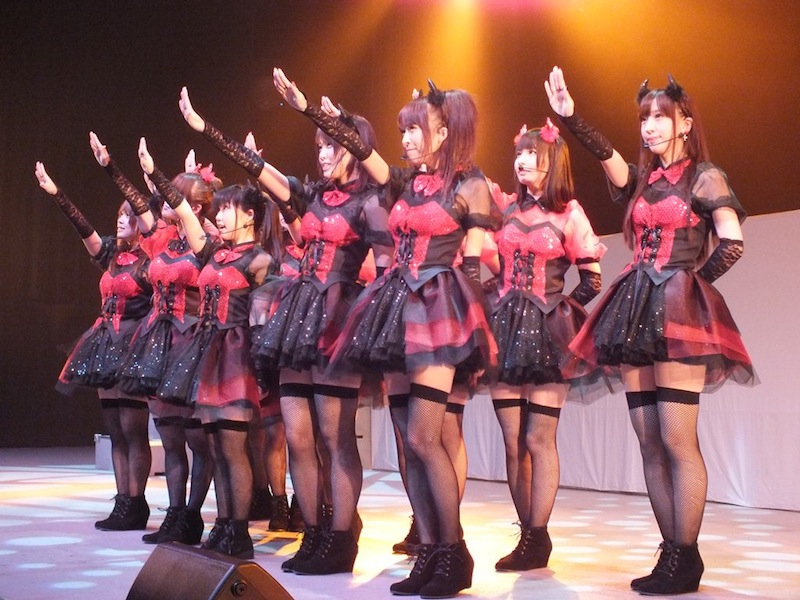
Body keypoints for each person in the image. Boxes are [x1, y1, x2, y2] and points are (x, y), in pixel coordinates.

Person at [274, 70, 498, 598]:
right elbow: (362, 150)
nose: (407, 139)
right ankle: (431, 551)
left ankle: (454, 552)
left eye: (416, 129)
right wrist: (310, 110)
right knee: (409, 445)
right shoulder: (400, 183)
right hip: (395, 312)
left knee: (424, 437)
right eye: (404, 130)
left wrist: (472, 333)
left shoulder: (470, 185)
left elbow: (472, 267)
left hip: (439, 313)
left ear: (445, 132)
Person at [545, 66, 756, 595]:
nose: (652, 126)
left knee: (677, 436)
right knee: (648, 439)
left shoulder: (704, 175)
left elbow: (732, 242)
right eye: (645, 118)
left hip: (677, 312)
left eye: (663, 116)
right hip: (636, 310)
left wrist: (690, 287)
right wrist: (572, 117)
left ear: (685, 123)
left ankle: (687, 555)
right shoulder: (643, 181)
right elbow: (606, 156)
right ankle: (671, 552)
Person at [177, 86, 392, 575]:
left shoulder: (370, 203)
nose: (322, 155)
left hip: (337, 317)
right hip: (298, 318)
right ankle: (313, 533)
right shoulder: (312, 196)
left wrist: (373, 327)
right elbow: (257, 169)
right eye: (318, 146)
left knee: (335, 438)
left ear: (353, 148)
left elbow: (383, 269)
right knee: (298, 437)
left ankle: (341, 537)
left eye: (331, 146)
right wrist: (205, 129)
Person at [140, 138, 281, 559]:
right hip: (206, 353)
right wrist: (153, 173)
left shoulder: (259, 260)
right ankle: (222, 524)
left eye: (226, 209)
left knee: (233, 448)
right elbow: (185, 213)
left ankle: (238, 531)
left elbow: (265, 317)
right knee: (217, 446)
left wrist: (264, 368)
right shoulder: (214, 253)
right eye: (216, 209)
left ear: (249, 215)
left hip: (236, 357)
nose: (218, 216)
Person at [482, 120, 605, 572]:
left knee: (538, 438)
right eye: (519, 153)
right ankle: (528, 534)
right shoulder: (505, 208)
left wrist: (558, 311)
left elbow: (592, 279)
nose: (523, 160)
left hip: (549, 334)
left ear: (552, 162)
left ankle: (538, 536)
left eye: (533, 153)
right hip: (504, 329)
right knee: (512, 441)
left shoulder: (569, 213)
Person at [87, 134, 218, 545]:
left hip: (192, 341)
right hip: (159, 344)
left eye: (174, 197)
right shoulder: (162, 239)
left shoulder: (207, 240)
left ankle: (193, 516)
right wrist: (111, 167)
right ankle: (175, 515)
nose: (165, 202)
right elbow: (142, 209)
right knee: (172, 438)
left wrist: (152, 172)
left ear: (194, 208)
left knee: (198, 440)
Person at [35, 160, 153, 531]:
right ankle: (122, 502)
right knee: (115, 429)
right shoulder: (110, 255)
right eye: (119, 215)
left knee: (134, 429)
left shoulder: (151, 261)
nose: (121, 221)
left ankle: (137, 502)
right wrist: (58, 194)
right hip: (105, 342)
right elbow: (84, 229)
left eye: (129, 216)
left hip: (134, 344)